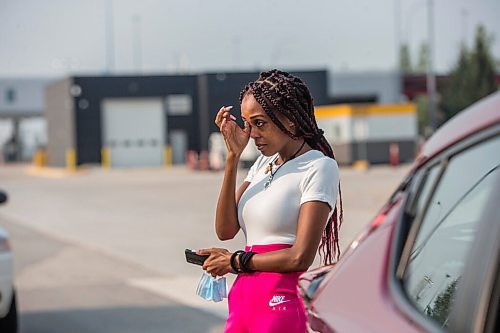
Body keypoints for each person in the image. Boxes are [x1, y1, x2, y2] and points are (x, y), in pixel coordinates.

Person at [198, 69, 343, 333]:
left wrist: (234, 262)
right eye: (246, 123)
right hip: (243, 303)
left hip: (279, 305)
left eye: (260, 123)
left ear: (289, 121)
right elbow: (225, 230)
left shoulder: (319, 167)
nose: (251, 133)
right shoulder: (262, 164)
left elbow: (299, 257)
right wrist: (232, 157)